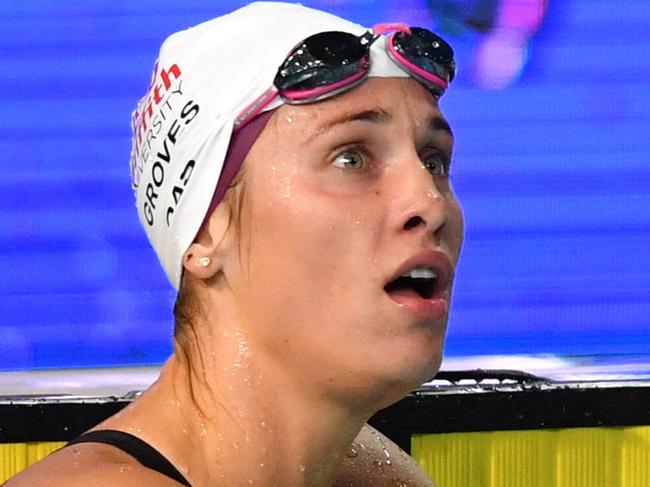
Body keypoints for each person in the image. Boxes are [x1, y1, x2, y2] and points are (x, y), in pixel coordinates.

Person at [6, 2, 463, 486]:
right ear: (205, 230)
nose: (430, 204)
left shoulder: (372, 475)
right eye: (351, 158)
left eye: (433, 161)